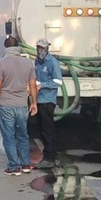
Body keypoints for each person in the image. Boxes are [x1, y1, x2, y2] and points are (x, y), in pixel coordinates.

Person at [0, 36, 37, 175]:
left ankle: (14, 167)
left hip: (6, 105)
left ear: (5, 48)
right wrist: (34, 103)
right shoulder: (28, 63)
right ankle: (26, 164)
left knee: (8, 136)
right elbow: (32, 84)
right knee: (23, 135)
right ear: (18, 47)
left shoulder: (1, 63)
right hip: (22, 105)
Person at [29, 38, 63, 168]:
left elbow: (58, 82)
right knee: (37, 127)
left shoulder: (52, 62)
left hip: (48, 100)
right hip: (37, 99)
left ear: (47, 49)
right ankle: (48, 152)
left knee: (47, 129)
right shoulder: (36, 62)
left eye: (42, 48)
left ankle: (50, 155)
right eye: (38, 48)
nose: (40, 51)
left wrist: (42, 85)